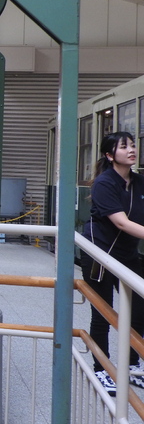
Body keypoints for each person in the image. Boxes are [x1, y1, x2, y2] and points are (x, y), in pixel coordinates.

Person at [81, 130, 144, 396]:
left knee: (139, 310)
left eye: (133, 145)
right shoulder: (104, 183)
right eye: (124, 147)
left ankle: (131, 365)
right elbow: (121, 223)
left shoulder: (139, 182)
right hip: (100, 253)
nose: (131, 150)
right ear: (109, 155)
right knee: (102, 312)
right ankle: (101, 369)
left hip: (128, 254)